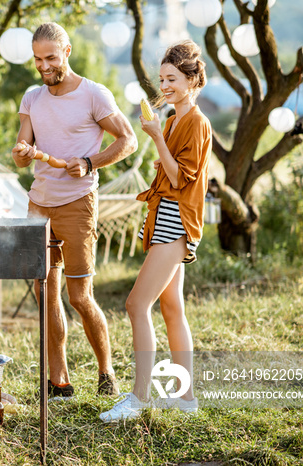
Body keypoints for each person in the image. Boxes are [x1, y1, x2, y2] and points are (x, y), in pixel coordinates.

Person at [12, 22, 137, 400]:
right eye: (37, 58)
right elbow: (22, 154)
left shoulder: (94, 94)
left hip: (77, 204)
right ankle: (59, 380)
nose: (43, 65)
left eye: (50, 57)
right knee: (45, 294)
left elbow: (128, 141)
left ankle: (106, 371)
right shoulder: (32, 97)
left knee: (80, 297)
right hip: (38, 205)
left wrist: (90, 161)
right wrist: (20, 151)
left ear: (67, 52)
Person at [100, 40, 211, 422]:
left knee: (135, 305)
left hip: (176, 224)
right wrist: (160, 135)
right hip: (164, 218)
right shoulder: (171, 119)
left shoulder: (195, 122)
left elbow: (181, 179)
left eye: (172, 79)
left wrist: (157, 139)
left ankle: (140, 398)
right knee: (171, 308)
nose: (164, 86)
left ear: (192, 80)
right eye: (161, 79)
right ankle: (187, 399)